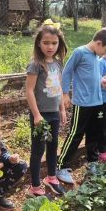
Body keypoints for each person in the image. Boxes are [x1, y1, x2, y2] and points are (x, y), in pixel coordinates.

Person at [59, 28, 106, 169]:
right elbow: (67, 72)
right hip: (83, 103)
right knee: (76, 134)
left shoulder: (96, 57)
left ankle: (92, 162)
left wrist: (101, 81)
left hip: (97, 102)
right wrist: (65, 93)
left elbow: (93, 76)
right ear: (99, 43)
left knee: (94, 133)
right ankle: (62, 165)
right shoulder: (80, 52)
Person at [25, 24, 68, 197]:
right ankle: (34, 186)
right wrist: (36, 115)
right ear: (38, 44)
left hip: (54, 114)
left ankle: (51, 177)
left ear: (59, 44)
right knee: (38, 149)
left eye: (54, 43)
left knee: (53, 146)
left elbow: (57, 89)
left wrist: (62, 109)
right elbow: (29, 91)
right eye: (46, 43)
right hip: (40, 115)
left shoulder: (57, 63)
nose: (50, 47)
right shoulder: (36, 65)